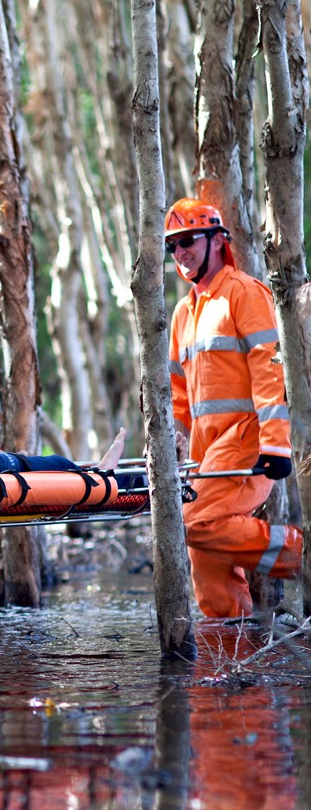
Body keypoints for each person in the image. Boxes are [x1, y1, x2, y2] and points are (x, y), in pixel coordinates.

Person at [165, 196, 301, 619]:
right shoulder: (183, 314)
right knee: (206, 562)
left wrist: (276, 446)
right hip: (207, 453)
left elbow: (270, 369)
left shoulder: (244, 293)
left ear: (216, 240)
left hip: (248, 440)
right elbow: (177, 394)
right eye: (173, 245)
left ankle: (302, 556)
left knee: (193, 522)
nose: (180, 252)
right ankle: (231, 658)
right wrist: (172, 448)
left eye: (187, 239)